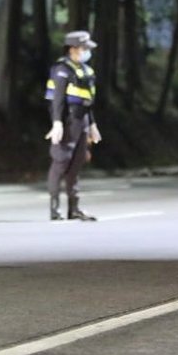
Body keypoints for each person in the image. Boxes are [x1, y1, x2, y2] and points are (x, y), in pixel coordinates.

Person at [45, 31, 102, 222]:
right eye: (84, 48)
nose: (87, 52)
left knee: (77, 163)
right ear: (72, 49)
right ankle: (54, 209)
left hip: (82, 120)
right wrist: (57, 123)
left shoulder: (85, 70)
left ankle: (74, 208)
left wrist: (92, 124)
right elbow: (58, 99)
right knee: (61, 161)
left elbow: (87, 101)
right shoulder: (62, 69)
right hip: (67, 120)